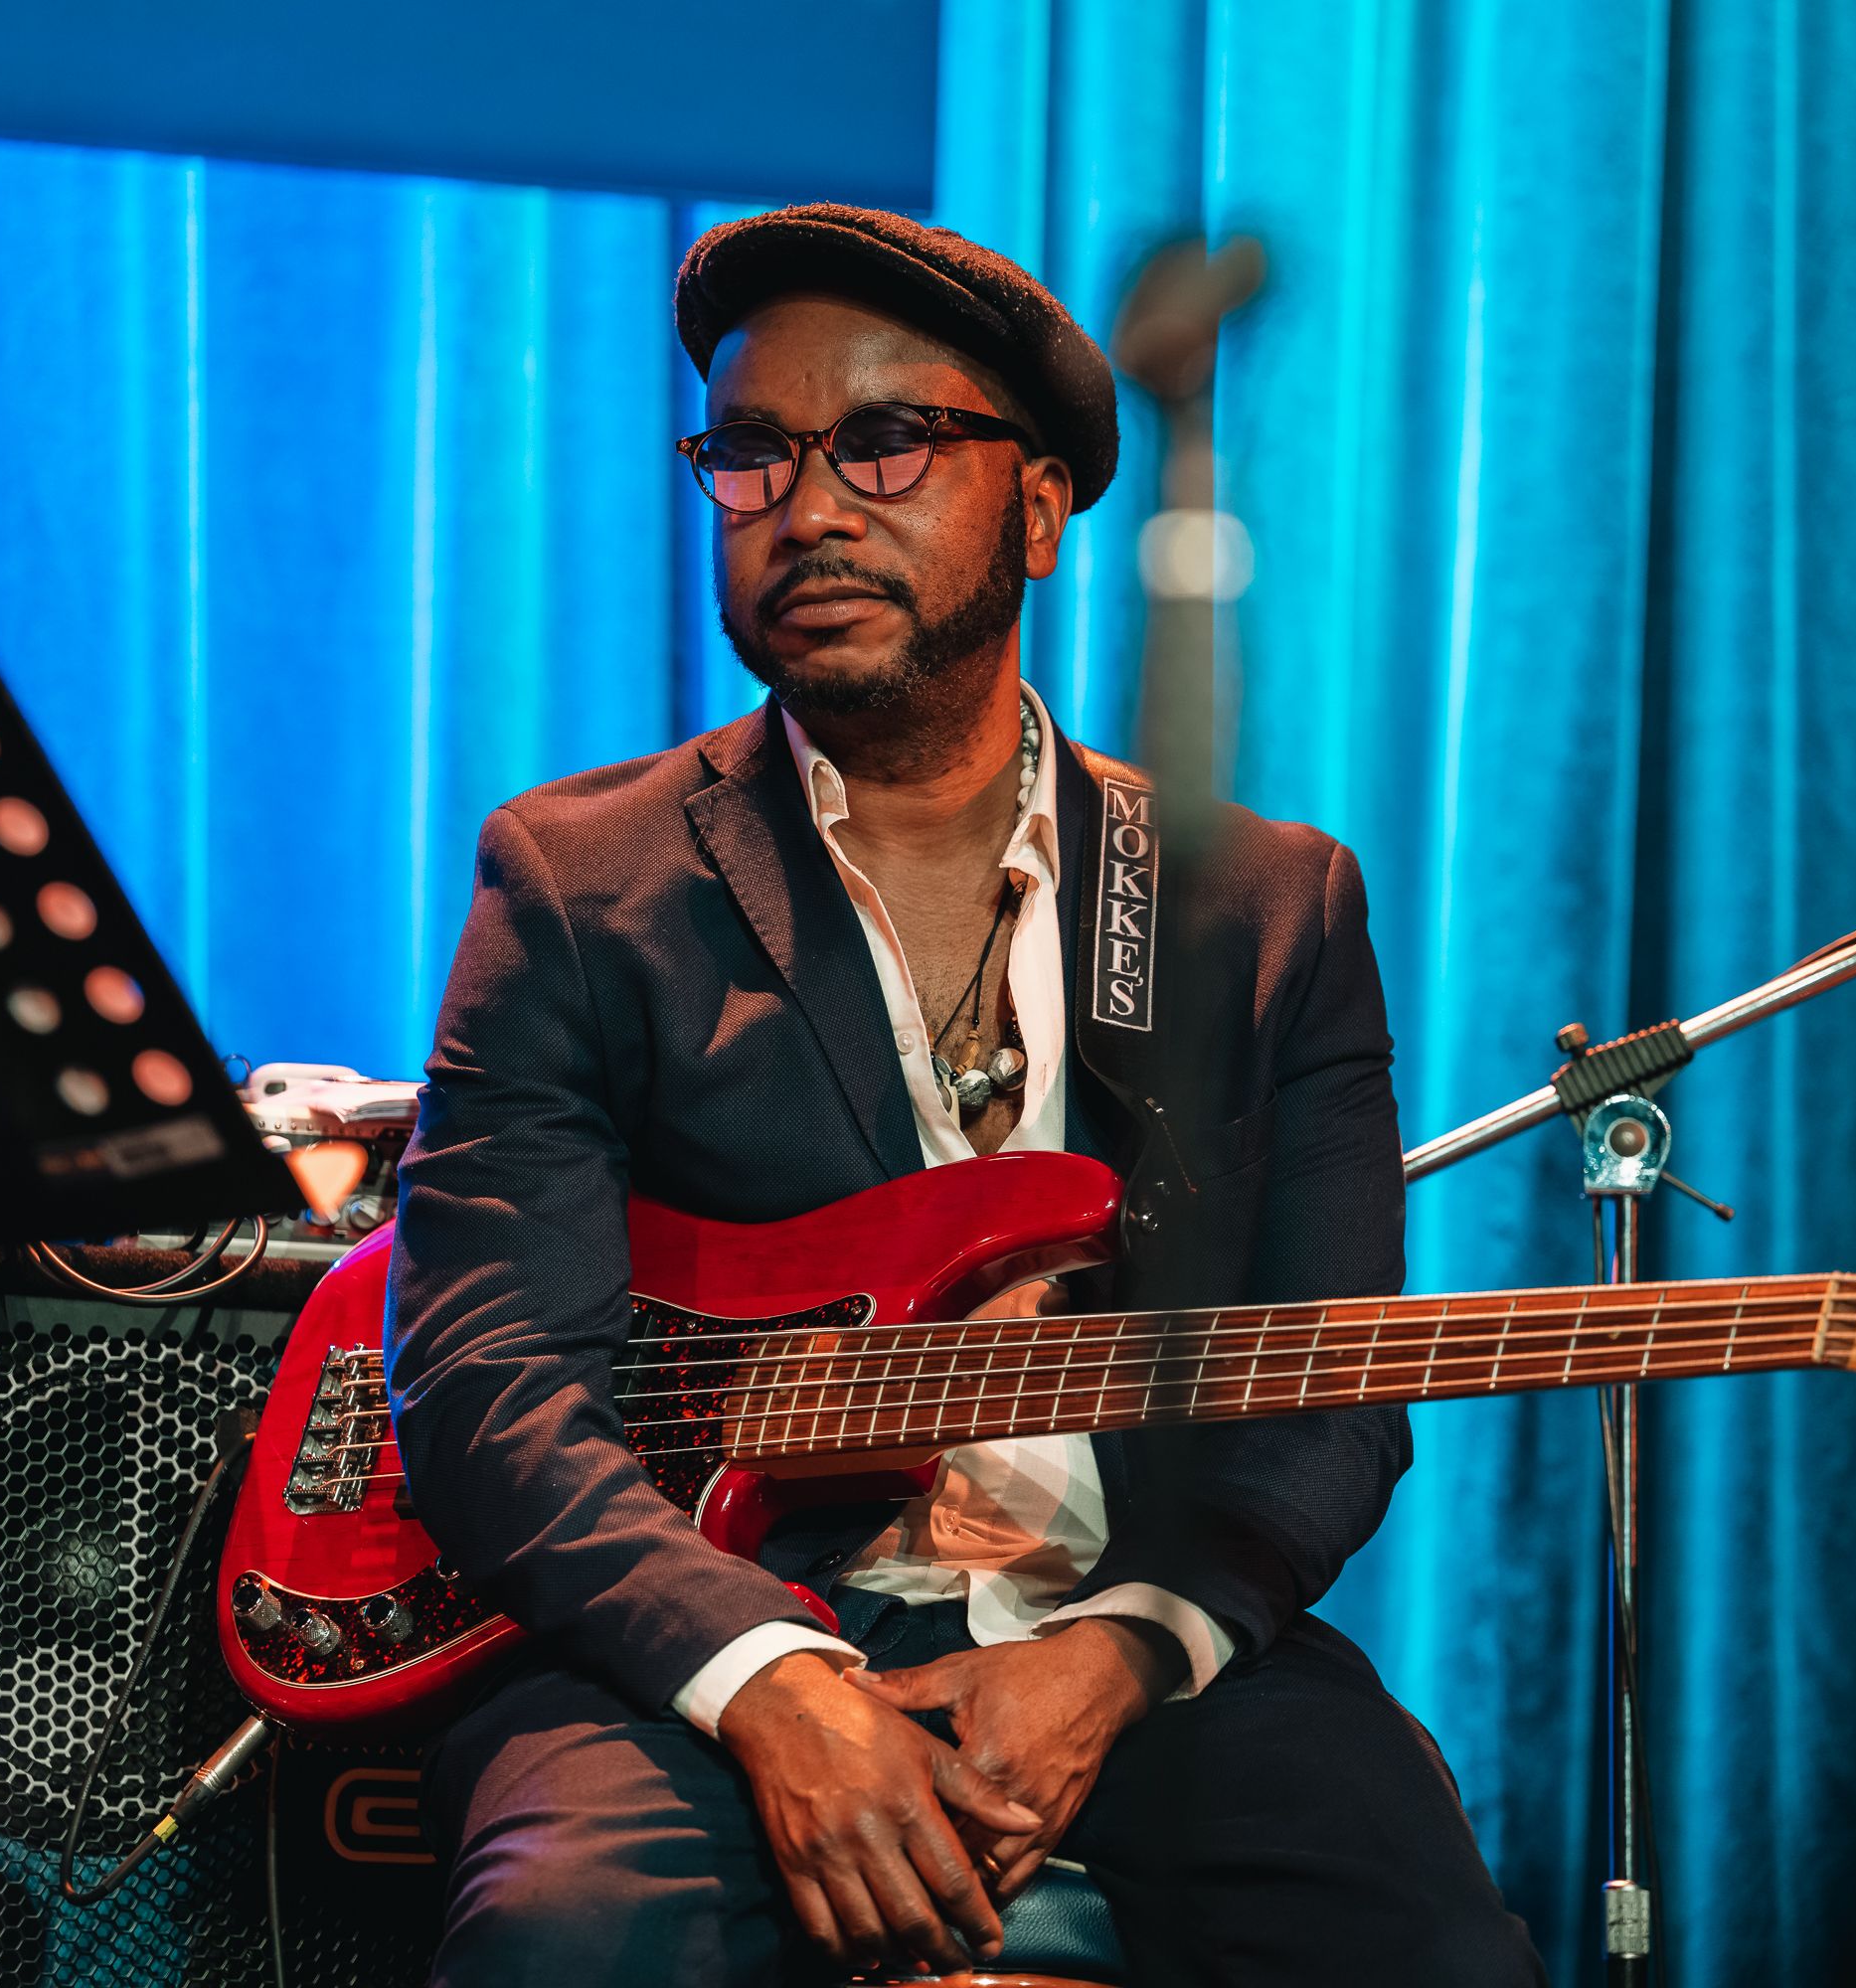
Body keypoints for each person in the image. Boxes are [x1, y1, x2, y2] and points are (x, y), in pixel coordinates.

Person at [387, 202, 1546, 1988]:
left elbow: (1330, 1400)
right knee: (564, 1941)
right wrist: (770, 1681)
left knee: (1434, 1954)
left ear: (1042, 506)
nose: (809, 508)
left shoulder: (1266, 907)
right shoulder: (581, 882)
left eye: (885, 440)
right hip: (694, 1641)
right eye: (752, 453)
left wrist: (1124, 1652)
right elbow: (489, 1380)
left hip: (1128, 1640)